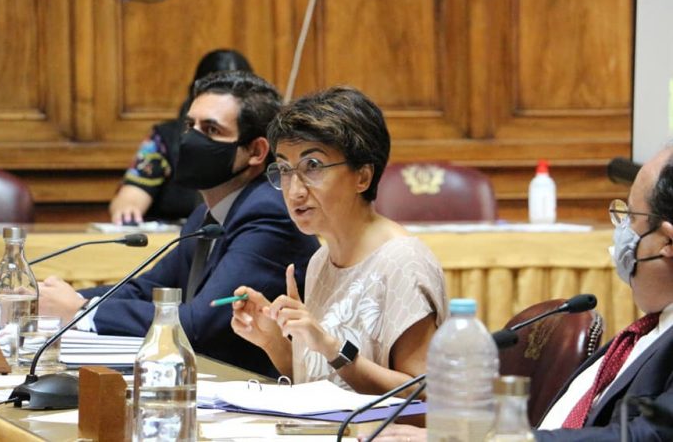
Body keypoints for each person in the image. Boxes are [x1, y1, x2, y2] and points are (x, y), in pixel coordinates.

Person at [364, 143, 673, 441]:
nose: (621, 231)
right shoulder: (646, 332)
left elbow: (647, 436)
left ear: (668, 243)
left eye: (632, 218)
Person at [40, 71, 320, 376]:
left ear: (256, 152)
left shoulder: (268, 214)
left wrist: (81, 312)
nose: (190, 139)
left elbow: (197, 325)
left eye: (210, 129)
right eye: (189, 126)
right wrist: (60, 299)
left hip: (260, 390)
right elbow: (147, 289)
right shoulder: (205, 216)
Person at [230, 87, 448, 395]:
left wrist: (333, 348)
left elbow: (424, 395)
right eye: (285, 170)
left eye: (313, 166)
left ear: (363, 177)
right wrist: (273, 341)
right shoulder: (321, 260)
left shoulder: (404, 262)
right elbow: (326, 385)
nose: (295, 191)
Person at [110, 49, 253, 225]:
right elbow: (130, 199)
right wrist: (129, 210)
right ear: (196, 95)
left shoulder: (259, 141)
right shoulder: (164, 139)